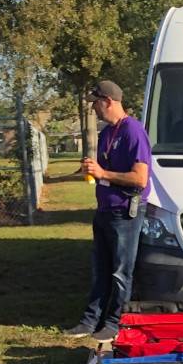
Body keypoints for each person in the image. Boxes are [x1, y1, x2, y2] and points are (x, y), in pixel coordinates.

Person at [66, 80, 151, 343]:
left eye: (95, 103)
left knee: (120, 271)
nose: (93, 108)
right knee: (100, 268)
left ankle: (116, 323)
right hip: (105, 209)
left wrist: (104, 173)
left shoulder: (133, 131)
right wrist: (92, 170)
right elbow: (106, 171)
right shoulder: (107, 133)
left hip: (124, 212)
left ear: (108, 101)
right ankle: (90, 320)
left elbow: (140, 179)